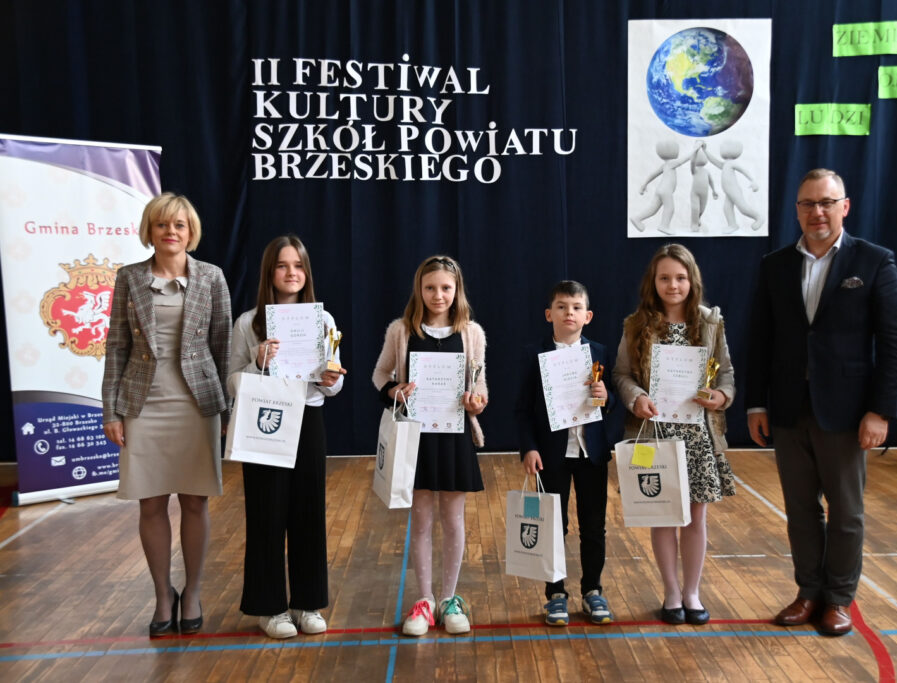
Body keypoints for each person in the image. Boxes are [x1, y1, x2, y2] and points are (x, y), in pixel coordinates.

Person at [746, 168, 897, 636]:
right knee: (800, 510)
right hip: (788, 409)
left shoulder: (875, 261)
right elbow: (760, 339)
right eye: (807, 204)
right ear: (796, 210)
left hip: (847, 412)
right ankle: (808, 592)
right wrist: (756, 404)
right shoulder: (775, 264)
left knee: (846, 512)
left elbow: (894, 342)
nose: (817, 212)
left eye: (826, 202)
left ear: (845, 207)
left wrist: (880, 410)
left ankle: (838, 599)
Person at [101, 192, 231, 637]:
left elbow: (222, 345)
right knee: (151, 502)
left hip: (198, 404)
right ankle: (162, 595)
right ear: (150, 231)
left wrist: (226, 410)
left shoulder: (211, 277)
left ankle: (192, 592)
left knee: (195, 500)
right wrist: (112, 410)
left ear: (190, 232)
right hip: (142, 405)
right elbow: (116, 346)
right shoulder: (129, 278)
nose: (170, 231)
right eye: (162, 224)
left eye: (179, 224)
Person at [227, 235, 345, 639]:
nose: (291, 273)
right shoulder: (248, 323)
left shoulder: (323, 321)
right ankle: (270, 607)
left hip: (308, 417)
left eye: (298, 265)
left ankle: (307, 603)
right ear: (269, 272)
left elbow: (334, 383)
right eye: (282, 265)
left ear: (306, 272)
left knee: (309, 511)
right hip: (266, 417)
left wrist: (330, 379)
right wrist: (256, 361)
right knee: (267, 512)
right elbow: (231, 381)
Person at [613, 244, 736, 626]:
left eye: (680, 277)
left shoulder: (711, 322)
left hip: (698, 436)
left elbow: (726, 374)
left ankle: (692, 592)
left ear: (691, 280)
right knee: (663, 515)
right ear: (653, 282)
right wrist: (636, 398)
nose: (673, 285)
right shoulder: (636, 324)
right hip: (655, 434)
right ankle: (670, 591)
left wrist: (721, 396)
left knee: (696, 518)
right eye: (664, 277)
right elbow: (621, 375)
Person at [372, 255, 488, 636]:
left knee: (453, 520)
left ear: (457, 291)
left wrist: (477, 401)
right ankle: (424, 600)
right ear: (419, 290)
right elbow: (380, 375)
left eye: (446, 288)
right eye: (430, 288)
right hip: (417, 437)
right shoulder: (401, 331)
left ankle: (449, 598)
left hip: (455, 436)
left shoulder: (472, 334)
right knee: (420, 521)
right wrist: (394, 391)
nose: (438, 295)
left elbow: (480, 386)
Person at [514, 280, 616, 626]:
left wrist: (606, 396)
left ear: (587, 316)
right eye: (561, 307)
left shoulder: (599, 352)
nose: (568, 313)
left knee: (594, 526)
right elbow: (522, 409)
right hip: (551, 454)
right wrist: (529, 447)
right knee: (553, 525)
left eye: (576, 308)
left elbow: (612, 402)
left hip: (591, 453)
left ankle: (593, 590)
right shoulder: (534, 354)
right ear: (549, 314)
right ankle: (555, 594)